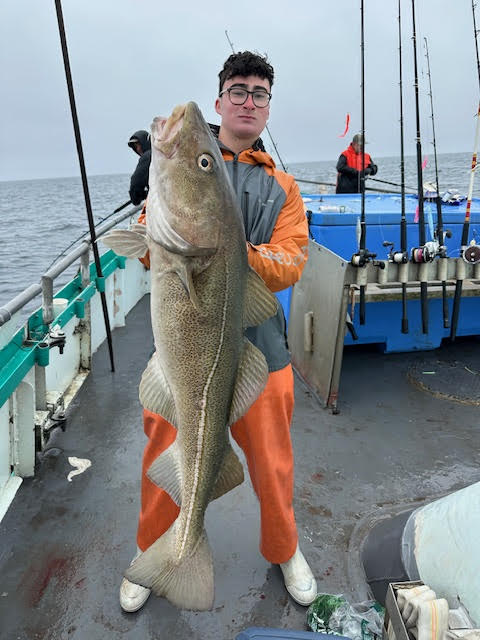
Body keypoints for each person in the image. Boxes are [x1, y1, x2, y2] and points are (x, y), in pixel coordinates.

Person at [120, 51, 317, 613]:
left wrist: (232, 254)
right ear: (221, 100)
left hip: (262, 351)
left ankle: (284, 549)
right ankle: (153, 551)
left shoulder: (282, 187)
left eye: (260, 93)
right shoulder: (184, 164)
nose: (249, 101)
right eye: (239, 90)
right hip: (183, 351)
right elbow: (144, 248)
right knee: (165, 452)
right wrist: (151, 210)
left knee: (273, 463)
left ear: (268, 107)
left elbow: (291, 259)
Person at [127, 130, 151, 205]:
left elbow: (136, 183)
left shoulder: (148, 156)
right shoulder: (161, 154)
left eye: (139, 145)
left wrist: (136, 197)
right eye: (135, 147)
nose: (138, 149)